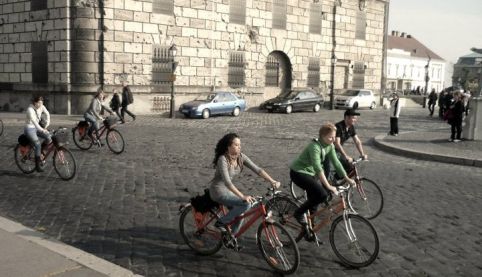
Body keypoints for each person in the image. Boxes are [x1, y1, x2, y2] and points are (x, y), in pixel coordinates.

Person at [209, 133, 280, 234]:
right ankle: (221, 222)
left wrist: (272, 181)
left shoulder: (241, 157)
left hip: (228, 191)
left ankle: (231, 238)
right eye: (236, 145)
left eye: (240, 145)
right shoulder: (222, 159)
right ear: (228, 146)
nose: (239, 147)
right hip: (218, 191)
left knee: (240, 216)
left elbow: (258, 170)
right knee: (246, 204)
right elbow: (227, 182)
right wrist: (242, 196)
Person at [291, 123, 356, 226]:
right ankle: (298, 213)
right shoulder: (314, 146)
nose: (333, 140)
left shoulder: (329, 146)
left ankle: (309, 230)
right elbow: (318, 168)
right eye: (331, 137)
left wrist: (347, 179)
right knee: (322, 194)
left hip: (310, 174)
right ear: (322, 136)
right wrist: (328, 186)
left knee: (314, 203)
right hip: (298, 172)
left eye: (334, 137)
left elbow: (336, 162)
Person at [323, 108, 368, 179]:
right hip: (328, 150)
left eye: (356, 118)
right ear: (347, 117)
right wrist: (346, 156)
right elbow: (337, 143)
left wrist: (362, 154)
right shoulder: (338, 127)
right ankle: (328, 184)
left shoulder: (351, 127)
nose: (355, 120)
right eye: (353, 118)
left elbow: (357, 141)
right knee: (327, 173)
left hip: (337, 151)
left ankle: (334, 181)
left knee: (350, 167)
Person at [24, 95, 52, 172]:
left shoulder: (41, 106)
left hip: (37, 128)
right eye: (39, 103)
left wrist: (46, 125)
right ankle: (37, 166)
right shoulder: (30, 110)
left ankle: (40, 153)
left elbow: (47, 114)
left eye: (42, 103)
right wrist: (42, 130)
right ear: (34, 102)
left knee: (49, 137)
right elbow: (35, 123)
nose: (41, 105)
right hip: (29, 129)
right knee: (37, 144)